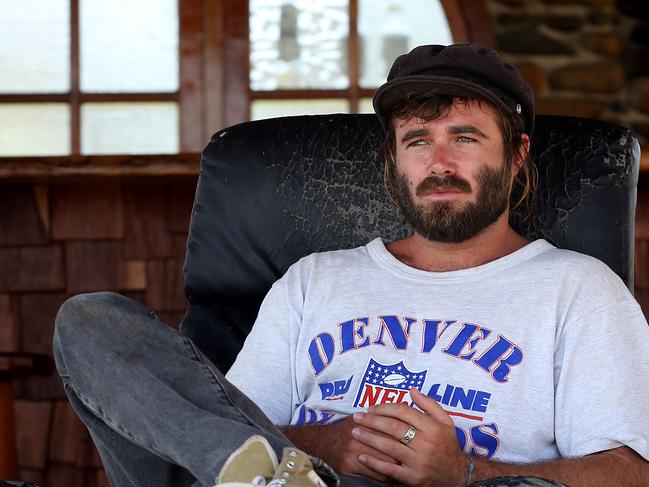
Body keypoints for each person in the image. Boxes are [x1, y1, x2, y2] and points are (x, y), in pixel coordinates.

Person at [52, 44, 649, 487]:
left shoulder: (580, 291)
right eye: (417, 141)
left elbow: (628, 472)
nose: (439, 162)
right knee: (90, 320)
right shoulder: (314, 279)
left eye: (465, 137)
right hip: (283, 478)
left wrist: (462, 473)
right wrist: (333, 447)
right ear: (393, 160)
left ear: (517, 155)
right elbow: (218, 425)